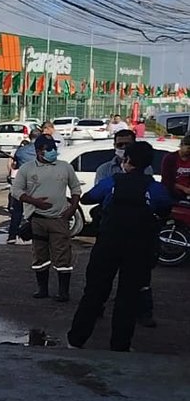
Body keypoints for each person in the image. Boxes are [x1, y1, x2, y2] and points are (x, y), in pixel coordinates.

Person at [68, 141, 172, 351]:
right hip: (138, 248)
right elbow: (165, 208)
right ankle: (120, 345)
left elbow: (89, 199)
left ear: (127, 161)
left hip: (108, 244)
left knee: (95, 292)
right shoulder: (155, 188)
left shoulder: (112, 182)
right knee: (128, 297)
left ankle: (76, 340)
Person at [94, 128, 157, 326]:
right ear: (114, 146)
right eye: (119, 145)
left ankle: (142, 312)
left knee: (138, 279)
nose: (123, 149)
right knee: (102, 276)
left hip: (137, 234)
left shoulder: (146, 171)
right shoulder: (105, 170)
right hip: (111, 229)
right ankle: (96, 307)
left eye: (127, 145)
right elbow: (98, 196)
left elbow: (156, 200)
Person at [11, 135, 82, 302]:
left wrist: (72, 208)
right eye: (48, 149)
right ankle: (42, 289)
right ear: (38, 151)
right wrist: (34, 202)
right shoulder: (27, 169)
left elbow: (76, 189)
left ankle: (63, 291)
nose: (52, 152)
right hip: (37, 219)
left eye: (53, 149)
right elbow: (16, 191)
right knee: (40, 257)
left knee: (63, 257)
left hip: (59, 219)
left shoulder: (65, 167)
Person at [6, 130, 40, 244]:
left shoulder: (21, 151)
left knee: (17, 211)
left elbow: (14, 164)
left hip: (21, 184)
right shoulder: (41, 151)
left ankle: (12, 236)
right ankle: (32, 235)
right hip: (36, 184)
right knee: (36, 211)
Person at [160, 134, 190, 203]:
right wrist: (183, 188)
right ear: (182, 145)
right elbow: (166, 180)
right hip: (172, 192)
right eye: (188, 148)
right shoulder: (170, 158)